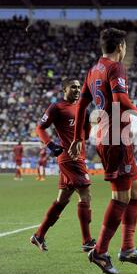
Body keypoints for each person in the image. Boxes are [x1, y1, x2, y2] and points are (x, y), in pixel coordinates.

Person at [69, 28, 137, 274]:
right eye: (124, 46)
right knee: (121, 198)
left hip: (112, 136)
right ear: (120, 47)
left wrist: (78, 138)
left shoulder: (94, 69)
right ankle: (100, 252)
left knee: (136, 191)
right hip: (115, 138)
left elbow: (81, 105)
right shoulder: (115, 68)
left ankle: (127, 248)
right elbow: (120, 101)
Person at [31, 78, 95, 253]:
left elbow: (86, 136)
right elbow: (40, 128)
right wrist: (51, 146)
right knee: (86, 195)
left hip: (77, 157)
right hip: (69, 158)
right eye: (72, 87)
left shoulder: (82, 108)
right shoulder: (57, 107)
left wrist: (88, 121)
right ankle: (87, 241)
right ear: (64, 90)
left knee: (62, 200)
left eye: (78, 87)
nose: (76, 90)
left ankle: (39, 235)